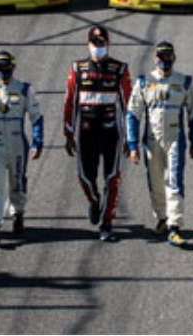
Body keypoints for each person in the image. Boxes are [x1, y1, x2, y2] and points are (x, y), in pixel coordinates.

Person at [127, 41, 193, 248]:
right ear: (154, 58)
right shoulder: (144, 82)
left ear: (174, 58)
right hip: (151, 141)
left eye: (168, 56)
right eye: (161, 56)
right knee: (155, 182)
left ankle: (175, 226)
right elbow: (132, 114)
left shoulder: (185, 82)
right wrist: (132, 145)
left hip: (175, 139)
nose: (164, 60)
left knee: (174, 182)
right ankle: (162, 218)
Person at [64, 25, 132, 242]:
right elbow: (69, 102)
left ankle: (107, 222)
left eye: (101, 43)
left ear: (108, 44)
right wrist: (68, 132)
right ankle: (94, 201)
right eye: (94, 44)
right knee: (85, 177)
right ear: (88, 44)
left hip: (111, 133)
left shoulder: (119, 69)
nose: (98, 47)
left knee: (112, 178)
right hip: (86, 134)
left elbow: (128, 104)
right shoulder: (78, 68)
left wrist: (130, 138)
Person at [0, 50, 43, 244]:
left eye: (7, 66)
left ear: (13, 66)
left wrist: (38, 142)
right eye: (0, 67)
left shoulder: (24, 88)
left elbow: (36, 116)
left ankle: (18, 213)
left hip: (17, 143)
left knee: (17, 182)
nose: (4, 71)